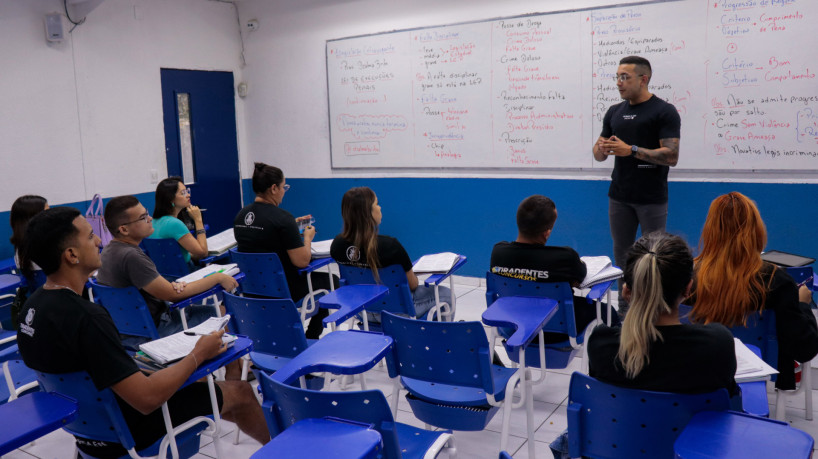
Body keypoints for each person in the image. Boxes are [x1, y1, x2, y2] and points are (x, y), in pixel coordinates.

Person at [16, 207, 269, 458]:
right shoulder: (88, 317)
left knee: (208, 392)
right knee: (241, 392)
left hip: (86, 432)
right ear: (71, 255)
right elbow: (147, 399)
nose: (99, 241)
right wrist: (198, 354)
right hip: (129, 430)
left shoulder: (33, 307)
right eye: (91, 236)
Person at [550, 233, 738, 459]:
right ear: (688, 289)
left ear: (626, 291)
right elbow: (730, 408)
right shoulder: (717, 344)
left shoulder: (602, 345)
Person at [690, 192, 818, 390]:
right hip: (761, 367)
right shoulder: (777, 282)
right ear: (756, 230)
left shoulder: (688, 277)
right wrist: (803, 304)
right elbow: (804, 349)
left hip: (700, 367)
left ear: (710, 230)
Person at [592, 55, 681, 318]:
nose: (619, 83)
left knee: (653, 256)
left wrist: (630, 150)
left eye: (625, 77)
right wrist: (601, 148)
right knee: (622, 256)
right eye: (617, 77)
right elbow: (598, 155)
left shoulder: (664, 111)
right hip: (619, 196)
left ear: (644, 79)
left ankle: (652, 310)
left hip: (651, 198)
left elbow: (671, 156)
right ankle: (625, 311)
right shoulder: (614, 112)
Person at [96, 196, 237, 341]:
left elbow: (162, 290)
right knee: (226, 315)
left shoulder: (108, 251)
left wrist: (169, 287)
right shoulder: (131, 256)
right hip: (158, 329)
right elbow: (172, 295)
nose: (150, 218)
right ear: (124, 229)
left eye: (147, 213)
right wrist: (217, 278)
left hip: (127, 332)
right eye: (143, 217)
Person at [490, 195, 618, 343]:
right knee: (609, 312)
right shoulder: (565, 257)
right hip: (560, 331)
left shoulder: (498, 252)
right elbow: (581, 278)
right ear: (547, 233)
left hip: (514, 326)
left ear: (518, 222)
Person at [233, 163, 336, 339]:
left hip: (251, 289)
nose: (284, 191)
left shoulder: (241, 216)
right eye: (283, 187)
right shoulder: (283, 218)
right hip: (284, 289)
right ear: (274, 188)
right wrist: (307, 238)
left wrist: (292, 228)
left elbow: (264, 236)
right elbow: (302, 261)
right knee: (332, 281)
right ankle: (311, 336)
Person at [330, 186, 452, 322]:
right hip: (397, 312)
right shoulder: (390, 246)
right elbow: (412, 285)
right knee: (446, 294)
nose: (380, 207)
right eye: (376, 204)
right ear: (367, 213)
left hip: (361, 310)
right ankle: (438, 334)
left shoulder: (337, 244)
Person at [150, 177, 208, 265]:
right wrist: (198, 219)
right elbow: (203, 252)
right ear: (171, 199)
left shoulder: (152, 222)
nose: (188, 195)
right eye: (183, 193)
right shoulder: (174, 224)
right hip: (186, 270)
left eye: (187, 191)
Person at [9, 194, 48, 271]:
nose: (52, 215)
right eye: (46, 212)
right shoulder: (42, 245)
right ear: (33, 218)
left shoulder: (22, 245)